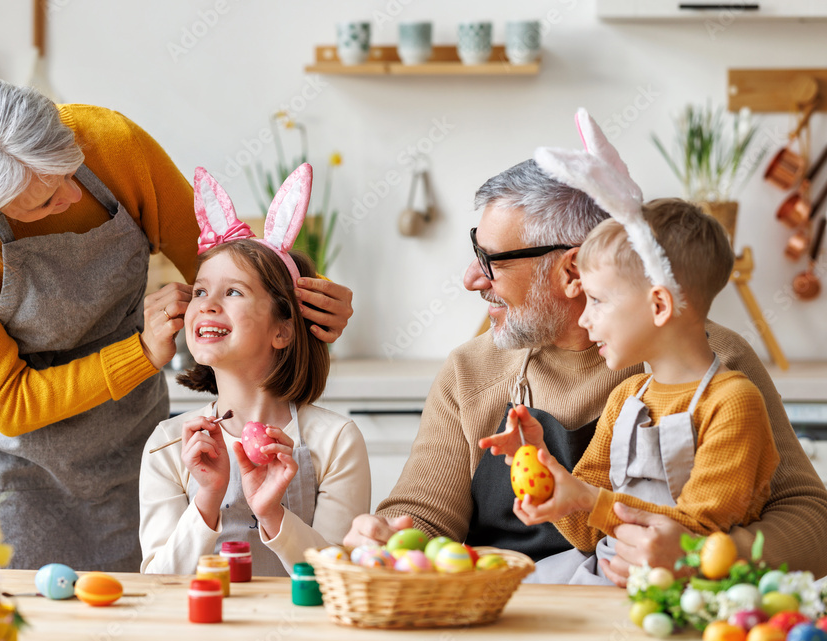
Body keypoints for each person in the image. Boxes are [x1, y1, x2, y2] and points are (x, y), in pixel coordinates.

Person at [344, 111, 827, 583]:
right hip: (510, 627)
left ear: (572, 272)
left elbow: (812, 521)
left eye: (490, 260)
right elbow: (421, 515)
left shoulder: (716, 364)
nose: (473, 279)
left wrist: (704, 556)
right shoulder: (469, 371)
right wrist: (386, 536)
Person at [0, 77, 353, 572]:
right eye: (46, 199)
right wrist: (139, 353)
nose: (74, 195)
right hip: (8, 464)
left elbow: (222, 261)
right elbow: (8, 402)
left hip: (126, 447)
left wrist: (302, 296)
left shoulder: (112, 143)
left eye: (71, 168)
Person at [486, 194, 779, 583]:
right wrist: (550, 475)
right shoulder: (627, 398)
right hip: (600, 576)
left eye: (596, 300)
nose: (585, 318)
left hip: (673, 595)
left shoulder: (732, 403)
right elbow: (589, 534)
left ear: (659, 305)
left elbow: (699, 537)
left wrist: (590, 500)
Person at [139, 165, 370, 576]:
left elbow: (341, 578)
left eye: (233, 291)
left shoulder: (336, 440)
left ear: (283, 330)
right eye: (200, 291)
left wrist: (272, 514)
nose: (208, 303)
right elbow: (160, 584)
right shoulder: (168, 444)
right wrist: (207, 498)